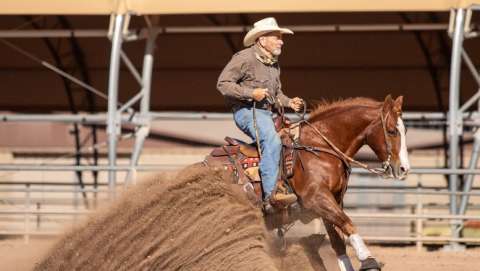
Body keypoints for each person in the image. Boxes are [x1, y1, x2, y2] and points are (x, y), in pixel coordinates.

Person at [216, 17, 304, 212]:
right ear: (262, 40)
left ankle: (291, 188)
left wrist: (289, 102)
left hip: (267, 113)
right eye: (277, 37)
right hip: (247, 112)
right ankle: (270, 196)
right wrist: (250, 93)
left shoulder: (274, 64)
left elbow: (276, 95)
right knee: (272, 141)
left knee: (297, 140)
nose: (281, 41)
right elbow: (222, 84)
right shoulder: (244, 58)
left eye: (281, 38)